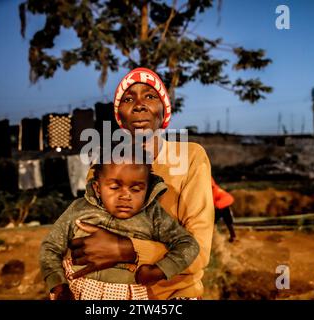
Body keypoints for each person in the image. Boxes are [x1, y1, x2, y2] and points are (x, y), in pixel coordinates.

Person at [51, 67, 215, 300]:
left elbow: (198, 253)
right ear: (120, 116)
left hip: (173, 297)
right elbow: (87, 243)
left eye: (150, 96)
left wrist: (128, 249)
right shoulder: (103, 168)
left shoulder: (190, 158)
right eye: (128, 99)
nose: (139, 104)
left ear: (164, 111)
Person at [40, 151, 200, 300]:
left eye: (136, 189)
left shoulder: (152, 214)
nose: (125, 195)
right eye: (115, 187)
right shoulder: (79, 208)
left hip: (129, 294)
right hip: (76, 289)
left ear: (147, 188)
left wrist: (160, 270)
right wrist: (59, 285)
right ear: (97, 188)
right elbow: (50, 247)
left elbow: (188, 245)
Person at [211, 178, 236, 242]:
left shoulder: (215, 190)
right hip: (220, 206)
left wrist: (216, 205)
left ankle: (233, 236)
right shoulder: (214, 189)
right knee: (227, 221)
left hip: (220, 206)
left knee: (227, 220)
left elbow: (228, 198)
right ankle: (232, 236)